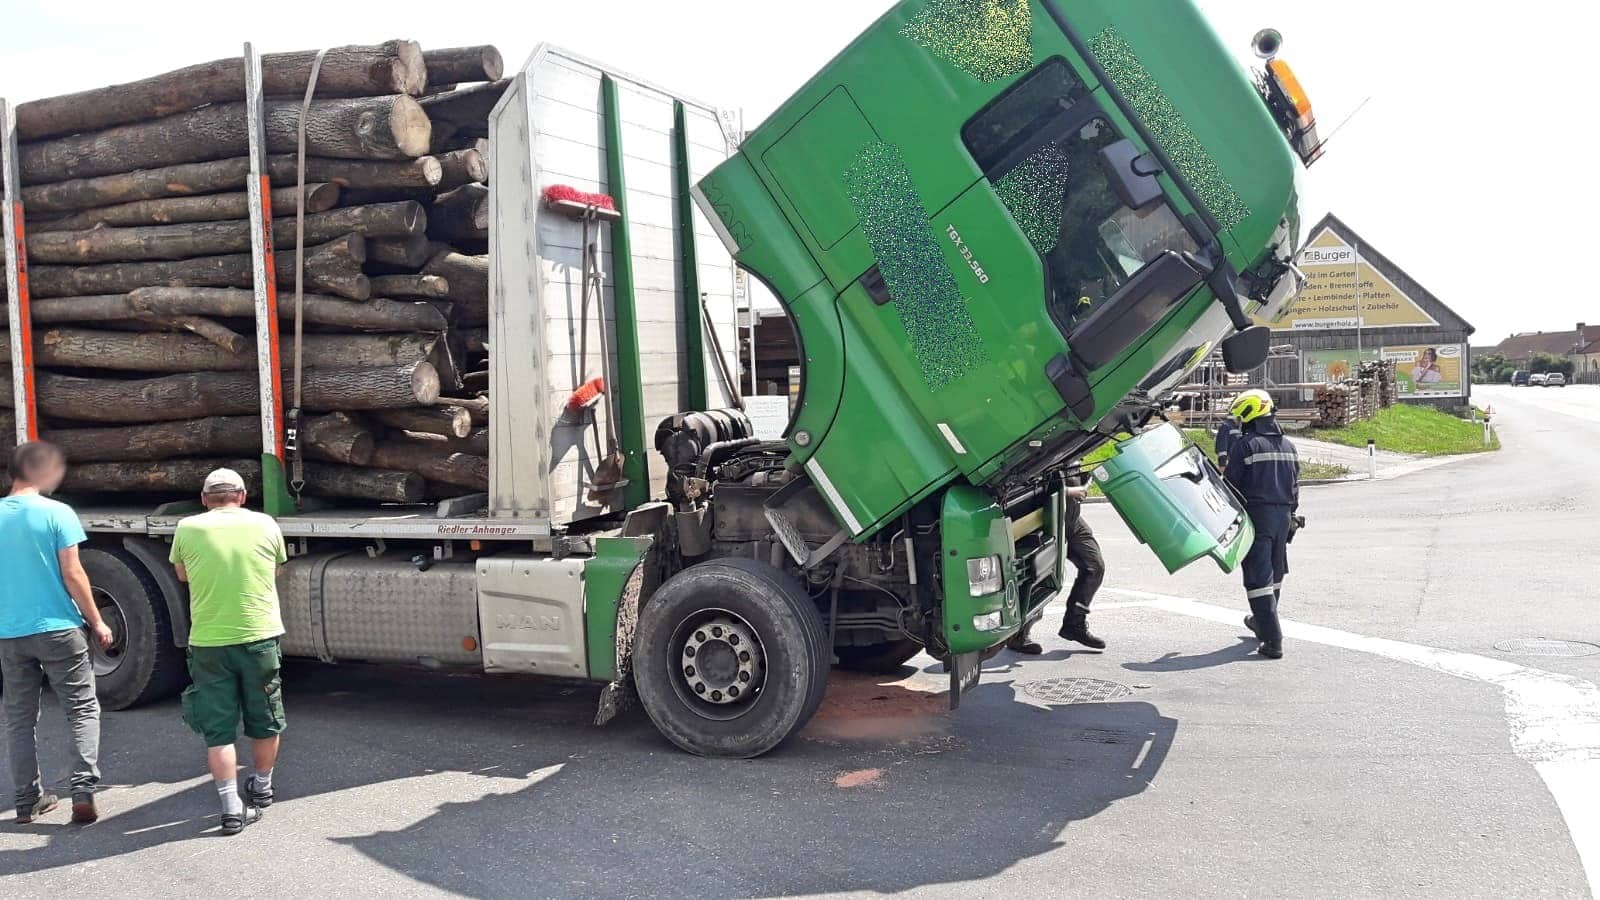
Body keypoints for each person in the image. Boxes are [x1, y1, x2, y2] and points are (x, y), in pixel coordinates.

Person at [169, 468, 288, 836]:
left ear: (204, 499)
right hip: (259, 638)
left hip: (208, 642)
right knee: (265, 717)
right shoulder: (266, 524)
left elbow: (183, 574)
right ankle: (263, 788)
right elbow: (275, 569)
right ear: (243, 495)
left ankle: (231, 808)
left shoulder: (188, 528)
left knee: (218, 730)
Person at [0, 441, 114, 825]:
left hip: (10, 634)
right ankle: (82, 788)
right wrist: (97, 620)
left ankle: (25, 799)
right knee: (81, 708)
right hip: (59, 629)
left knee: (18, 717)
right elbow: (73, 573)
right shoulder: (57, 513)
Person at [1221, 389, 1301, 660]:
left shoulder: (1246, 445)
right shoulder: (1289, 446)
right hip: (1284, 518)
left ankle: (1272, 639)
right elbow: (1295, 487)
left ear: (1249, 413)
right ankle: (1261, 621)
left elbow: (1231, 487)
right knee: (1275, 575)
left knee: (1258, 578)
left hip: (1257, 516)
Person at [1008, 476, 1107, 654]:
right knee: (1039, 575)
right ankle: (1019, 635)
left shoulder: (1073, 449)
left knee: (1094, 567)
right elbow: (1028, 482)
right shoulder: (1042, 449)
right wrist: (1068, 492)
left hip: (1072, 519)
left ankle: (1074, 624)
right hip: (1044, 520)